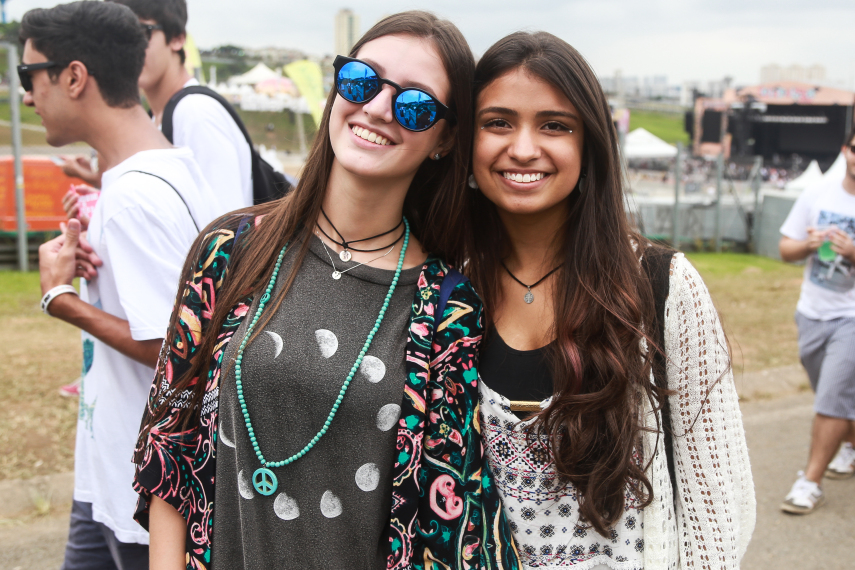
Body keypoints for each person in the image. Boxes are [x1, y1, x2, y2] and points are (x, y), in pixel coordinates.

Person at [132, 12, 520, 569]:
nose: (378, 108)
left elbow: (450, 520)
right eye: (362, 80)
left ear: (445, 138)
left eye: (415, 105)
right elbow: (170, 449)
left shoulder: (448, 307)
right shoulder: (229, 250)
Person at [461, 32, 755, 569]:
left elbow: (717, 504)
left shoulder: (661, 284)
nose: (523, 148)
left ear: (589, 145)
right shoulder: (449, 286)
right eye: (498, 122)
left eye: (555, 125)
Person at [22, 2, 222, 568]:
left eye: (29, 76)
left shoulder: (135, 195)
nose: (28, 97)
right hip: (108, 469)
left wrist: (61, 300)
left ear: (75, 76)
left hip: (144, 495)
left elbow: (175, 351)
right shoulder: (169, 166)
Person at [53, 0, 252, 213]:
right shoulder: (155, 116)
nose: (126, 49)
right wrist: (104, 196)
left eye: (140, 33)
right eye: (116, 38)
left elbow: (228, 228)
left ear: (177, 38)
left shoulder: (195, 113)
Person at [778, 125, 855, 513]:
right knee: (833, 391)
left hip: (852, 318)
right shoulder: (817, 194)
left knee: (831, 397)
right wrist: (809, 244)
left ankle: (809, 483)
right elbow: (785, 249)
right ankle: (851, 445)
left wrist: (852, 250)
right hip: (811, 312)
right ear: (846, 151)